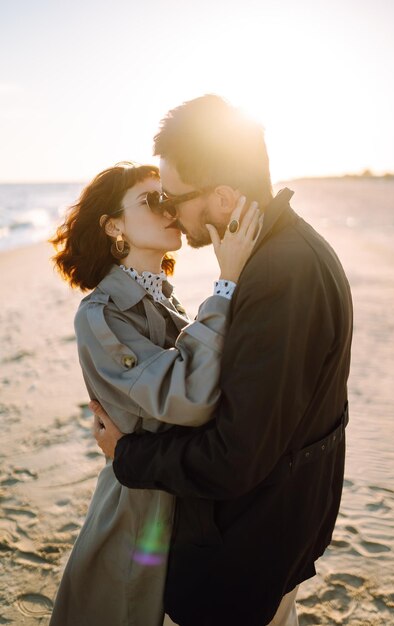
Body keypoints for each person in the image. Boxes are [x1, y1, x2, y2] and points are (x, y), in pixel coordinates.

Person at [92, 95, 353, 626]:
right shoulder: (292, 250)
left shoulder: (280, 277)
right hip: (279, 534)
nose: (168, 212)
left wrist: (128, 455)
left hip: (246, 554)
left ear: (225, 197)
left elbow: (234, 457)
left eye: (174, 198)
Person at [48, 161, 261, 626]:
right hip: (139, 510)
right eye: (150, 200)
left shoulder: (166, 297)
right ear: (113, 225)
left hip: (184, 493)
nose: (167, 209)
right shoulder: (99, 314)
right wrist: (226, 286)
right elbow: (188, 396)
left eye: (168, 198)